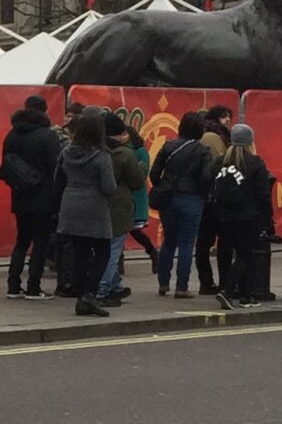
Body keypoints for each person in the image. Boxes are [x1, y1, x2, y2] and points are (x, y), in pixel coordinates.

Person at [0, 94, 62, 298]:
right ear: (44, 111)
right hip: (43, 196)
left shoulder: (12, 135)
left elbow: (7, 166)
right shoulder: (47, 135)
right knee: (40, 242)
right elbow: (56, 166)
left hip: (20, 195)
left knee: (21, 241)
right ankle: (33, 287)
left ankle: (13, 285)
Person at [57, 110, 116, 316]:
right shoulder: (101, 156)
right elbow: (109, 187)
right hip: (94, 206)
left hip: (70, 202)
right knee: (102, 251)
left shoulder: (66, 152)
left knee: (79, 253)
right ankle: (89, 295)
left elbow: (58, 179)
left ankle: (81, 295)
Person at [211, 123, 274, 308]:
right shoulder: (255, 163)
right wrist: (267, 219)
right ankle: (228, 291)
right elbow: (263, 195)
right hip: (247, 217)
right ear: (250, 141)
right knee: (246, 255)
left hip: (223, 216)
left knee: (229, 253)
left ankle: (246, 295)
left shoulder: (220, 162)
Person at [150, 111, 211, 298]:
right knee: (186, 244)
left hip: (168, 199)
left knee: (169, 241)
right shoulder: (203, 151)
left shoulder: (168, 146)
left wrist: (164, 185)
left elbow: (154, 174)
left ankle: (163, 283)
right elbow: (207, 177)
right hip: (192, 199)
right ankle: (182, 287)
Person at [97, 111, 147, 303]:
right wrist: (141, 170)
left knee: (103, 248)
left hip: (97, 205)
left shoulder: (92, 150)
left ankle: (115, 285)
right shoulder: (125, 154)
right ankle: (103, 289)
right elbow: (136, 183)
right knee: (113, 250)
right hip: (119, 206)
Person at [196, 105, 234, 298]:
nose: (227, 120)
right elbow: (223, 163)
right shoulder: (213, 137)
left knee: (203, 241)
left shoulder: (207, 134)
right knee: (223, 242)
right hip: (216, 196)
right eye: (224, 116)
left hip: (203, 197)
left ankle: (206, 282)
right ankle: (223, 282)